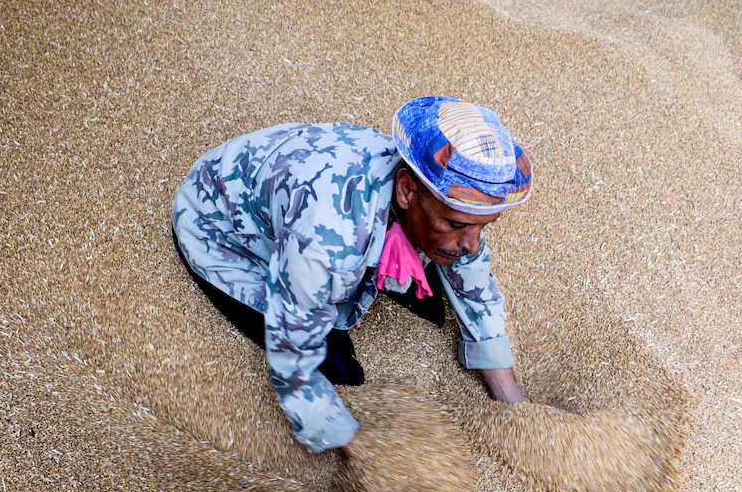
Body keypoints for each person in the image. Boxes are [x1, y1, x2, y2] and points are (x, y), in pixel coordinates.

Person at [171, 96, 533, 459]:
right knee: (340, 370)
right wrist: (358, 452)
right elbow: (293, 349)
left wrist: (512, 402)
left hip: (300, 193)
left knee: (439, 278)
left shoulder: (435, 196)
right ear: (407, 190)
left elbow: (473, 278)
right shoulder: (326, 241)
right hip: (218, 228)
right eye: (456, 224)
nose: (473, 243)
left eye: (483, 226)